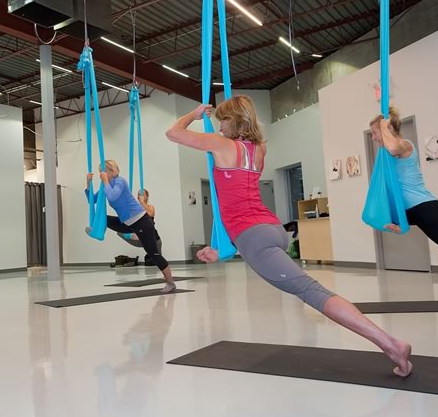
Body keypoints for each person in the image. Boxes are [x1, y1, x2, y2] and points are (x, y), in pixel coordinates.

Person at [166, 96, 413, 377]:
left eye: (221, 120)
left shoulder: (222, 146)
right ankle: (389, 343)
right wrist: (223, 250)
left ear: (232, 120)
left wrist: (195, 113)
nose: (218, 126)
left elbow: (173, 132)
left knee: (313, 292)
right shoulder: (259, 149)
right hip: (272, 229)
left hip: (254, 236)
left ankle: (390, 344)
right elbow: (238, 202)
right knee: (306, 288)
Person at [370, 108, 438, 257]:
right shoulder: (387, 157)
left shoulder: (405, 145)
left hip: (426, 209)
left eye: (374, 132)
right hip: (415, 213)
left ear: (388, 128)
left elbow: (392, 147)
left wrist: (383, 126)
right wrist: (402, 226)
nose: (373, 138)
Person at [86, 160, 176, 293]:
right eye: (100, 172)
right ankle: (97, 231)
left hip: (141, 221)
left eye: (103, 171)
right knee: (103, 218)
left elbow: (113, 195)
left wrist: (105, 182)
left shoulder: (120, 181)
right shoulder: (106, 186)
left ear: (111, 171)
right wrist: (88, 183)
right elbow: (92, 200)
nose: (101, 174)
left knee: (153, 254)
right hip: (127, 223)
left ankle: (170, 283)